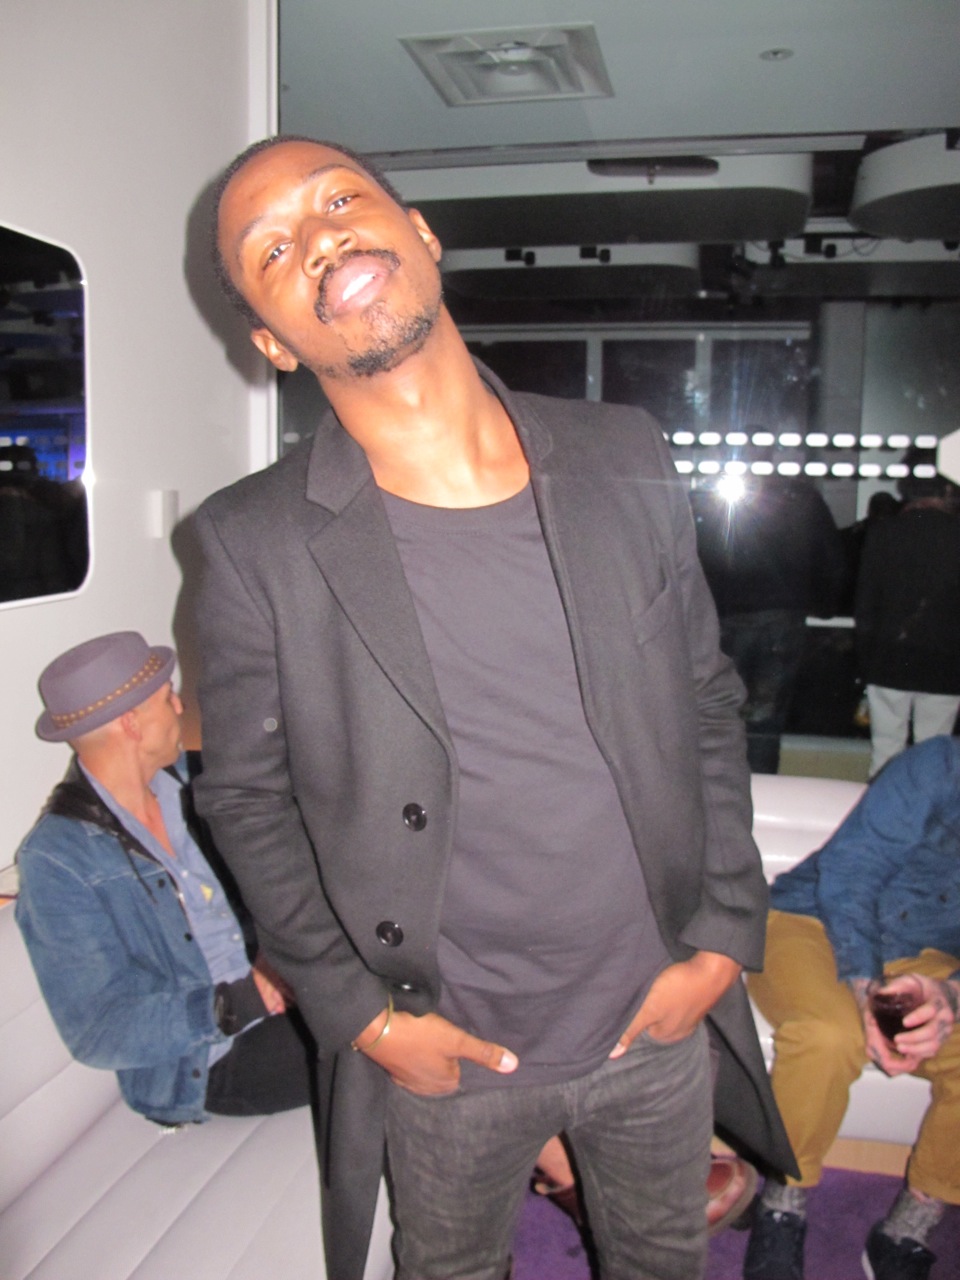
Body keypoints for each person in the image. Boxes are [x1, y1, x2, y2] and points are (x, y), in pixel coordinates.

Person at [193, 134, 795, 1280]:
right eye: (271, 249)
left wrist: (723, 933)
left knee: (663, 1261)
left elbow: (706, 701)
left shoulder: (623, 452)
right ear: (271, 341)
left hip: (653, 1015)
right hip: (447, 1047)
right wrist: (363, 1017)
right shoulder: (250, 540)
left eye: (339, 199)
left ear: (420, 233)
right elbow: (247, 801)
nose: (318, 237)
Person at [15, 631, 314, 1126]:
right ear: (131, 724)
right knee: (373, 1036)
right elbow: (98, 1030)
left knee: (420, 979)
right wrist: (243, 1000)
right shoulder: (57, 862)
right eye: (167, 697)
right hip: (212, 1060)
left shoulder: (196, 780)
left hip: (289, 976)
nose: (180, 707)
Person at [743, 735, 960, 1280]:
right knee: (828, 1034)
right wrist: (866, 991)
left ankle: (911, 1224)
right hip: (811, 920)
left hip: (929, 956)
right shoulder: (938, 767)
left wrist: (952, 995)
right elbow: (851, 873)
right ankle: (782, 1201)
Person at [691, 472, 845, 774]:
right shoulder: (800, 498)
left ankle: (720, 785)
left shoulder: (713, 499)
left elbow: (694, 556)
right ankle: (760, 786)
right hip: (782, 616)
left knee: (719, 714)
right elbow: (830, 558)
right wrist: (824, 605)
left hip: (727, 615)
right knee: (765, 720)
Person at [854, 454, 960, 778]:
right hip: (946, 660)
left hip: (889, 657)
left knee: (886, 749)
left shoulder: (884, 532)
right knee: (934, 752)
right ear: (947, 489)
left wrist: (865, 657)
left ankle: (882, 806)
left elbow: (866, 602)